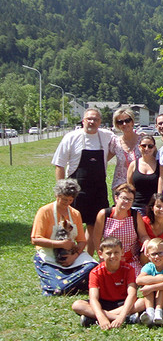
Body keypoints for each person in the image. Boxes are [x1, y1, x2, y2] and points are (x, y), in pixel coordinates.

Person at [52, 108, 115, 254]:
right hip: (75, 190)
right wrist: (61, 191)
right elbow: (59, 164)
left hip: (98, 189)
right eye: (89, 119)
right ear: (83, 120)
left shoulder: (106, 136)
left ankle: (88, 259)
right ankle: (66, 256)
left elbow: (122, 144)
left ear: (100, 122)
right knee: (72, 225)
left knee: (95, 227)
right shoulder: (71, 137)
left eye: (96, 119)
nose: (92, 122)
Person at [31, 179, 98, 295]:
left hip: (71, 255)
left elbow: (82, 241)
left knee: (93, 267)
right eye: (64, 199)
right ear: (57, 195)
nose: (67, 203)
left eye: (70, 200)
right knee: (60, 287)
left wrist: (74, 256)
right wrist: (60, 244)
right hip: (49, 255)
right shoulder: (44, 211)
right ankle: (65, 286)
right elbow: (35, 239)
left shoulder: (75, 214)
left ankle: (60, 285)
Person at [71, 237, 146, 329]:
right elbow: (93, 298)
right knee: (77, 305)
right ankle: (126, 319)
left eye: (116, 252)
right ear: (101, 254)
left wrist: (121, 315)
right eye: (108, 253)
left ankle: (92, 319)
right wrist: (101, 316)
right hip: (102, 303)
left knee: (142, 302)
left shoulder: (128, 269)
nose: (113, 256)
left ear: (122, 252)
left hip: (121, 303)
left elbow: (132, 294)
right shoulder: (95, 272)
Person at [93, 183, 149, 277]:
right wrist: (102, 256)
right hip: (110, 258)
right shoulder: (104, 214)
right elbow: (96, 238)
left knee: (134, 280)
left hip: (130, 259)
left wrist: (147, 241)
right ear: (116, 198)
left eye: (130, 200)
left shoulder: (135, 215)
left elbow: (143, 235)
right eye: (124, 198)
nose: (126, 202)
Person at [136, 238, 163, 327]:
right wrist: (159, 278)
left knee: (161, 287)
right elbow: (138, 280)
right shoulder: (148, 267)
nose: (157, 257)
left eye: (161, 253)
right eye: (154, 254)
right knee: (153, 283)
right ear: (148, 255)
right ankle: (150, 313)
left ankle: (159, 313)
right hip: (153, 300)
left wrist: (152, 287)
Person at [109, 108, 141, 197]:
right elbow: (104, 159)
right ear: (117, 125)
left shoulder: (143, 141)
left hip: (139, 184)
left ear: (132, 121)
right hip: (119, 186)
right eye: (120, 122)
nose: (124, 124)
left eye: (127, 120)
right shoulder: (115, 142)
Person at [126, 134, 159, 215]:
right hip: (136, 206)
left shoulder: (159, 165)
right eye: (144, 146)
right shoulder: (133, 164)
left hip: (154, 207)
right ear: (139, 147)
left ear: (154, 147)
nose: (147, 148)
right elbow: (129, 185)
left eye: (150, 146)